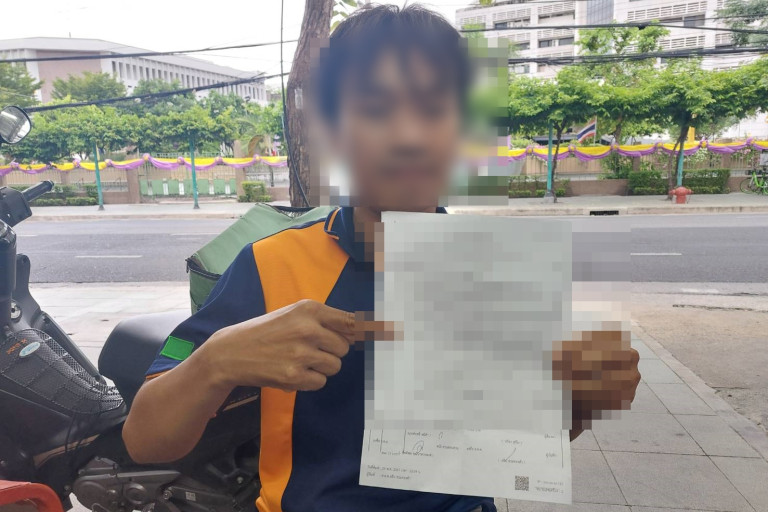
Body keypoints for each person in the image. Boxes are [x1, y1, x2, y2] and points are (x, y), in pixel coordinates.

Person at [123, 5, 640, 512]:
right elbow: (144, 441)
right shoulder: (268, 265)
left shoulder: (503, 272)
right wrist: (215, 361)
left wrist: (583, 400)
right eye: (375, 109)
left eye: (433, 110)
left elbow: (519, 442)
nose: (409, 137)